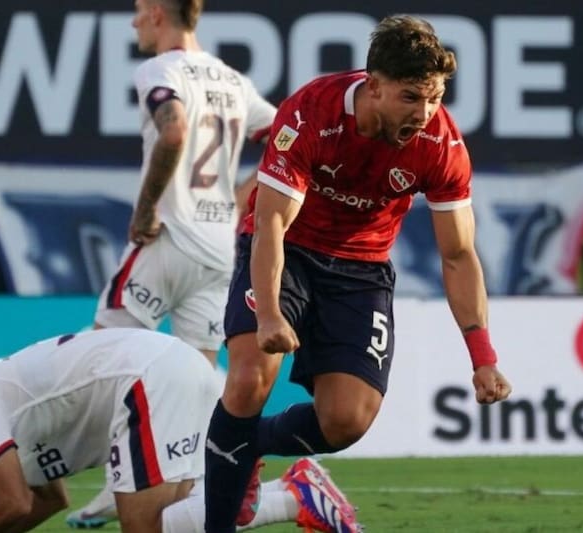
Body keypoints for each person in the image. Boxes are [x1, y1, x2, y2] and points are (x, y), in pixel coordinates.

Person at [203, 15, 513, 533]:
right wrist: (273, 313)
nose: (426, 112)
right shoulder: (309, 112)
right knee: (250, 378)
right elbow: (271, 224)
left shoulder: (441, 145)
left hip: (361, 269)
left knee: (346, 422)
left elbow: (458, 255)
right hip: (289, 250)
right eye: (412, 97)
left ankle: (253, 443)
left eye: (434, 98)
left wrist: (483, 359)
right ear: (374, 86)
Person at [68, 0, 277, 526]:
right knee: (191, 380)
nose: (135, 20)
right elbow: (285, 138)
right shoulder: (233, 81)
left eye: (139, 9)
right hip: (217, 249)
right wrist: (243, 196)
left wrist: (144, 210)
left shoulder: (161, 70)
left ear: (160, 12)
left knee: (100, 359)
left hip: (167, 237)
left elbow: (175, 131)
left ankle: (114, 487)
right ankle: (188, 491)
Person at [0, 328, 359, 533]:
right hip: (168, 373)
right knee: (183, 520)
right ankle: (293, 495)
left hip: (144, 379)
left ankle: (276, 481)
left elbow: (11, 503)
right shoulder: (8, 454)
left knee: (142, 526)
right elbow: (49, 499)